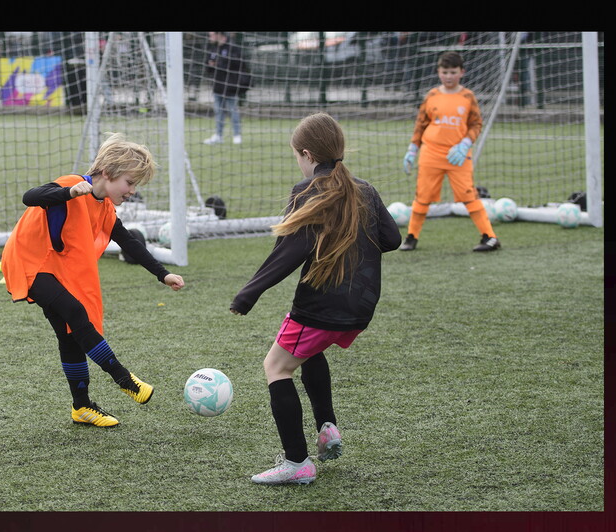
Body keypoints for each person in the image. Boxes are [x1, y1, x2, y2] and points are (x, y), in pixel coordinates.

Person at [230, 112, 401, 484]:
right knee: (310, 350)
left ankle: (297, 464)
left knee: (277, 367)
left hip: (323, 304)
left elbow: (290, 250)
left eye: (297, 155)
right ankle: (327, 426)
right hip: (361, 306)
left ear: (307, 154)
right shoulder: (365, 189)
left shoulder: (307, 190)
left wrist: (248, 294)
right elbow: (392, 239)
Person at [1, 133, 186, 428]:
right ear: (108, 173)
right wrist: (68, 193)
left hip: (55, 269)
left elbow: (129, 242)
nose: (132, 191)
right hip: (28, 262)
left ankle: (82, 407)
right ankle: (124, 378)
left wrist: (162, 274)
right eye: (129, 182)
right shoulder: (72, 185)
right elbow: (30, 197)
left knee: (70, 336)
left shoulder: (105, 208)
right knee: (76, 312)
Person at [400, 51, 501, 252]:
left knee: (469, 196)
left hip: (458, 156)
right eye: (444, 72)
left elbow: (476, 124)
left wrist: (465, 144)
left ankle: (490, 237)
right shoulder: (431, 96)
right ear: (438, 72)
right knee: (422, 196)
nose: (448, 76)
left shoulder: (468, 97)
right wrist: (412, 149)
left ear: (462, 72)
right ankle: (411, 237)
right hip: (431, 154)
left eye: (453, 72)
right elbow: (421, 125)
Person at [203, 31, 244, 145]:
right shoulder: (213, 49)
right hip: (217, 86)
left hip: (230, 86)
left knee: (233, 110)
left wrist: (218, 64)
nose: (210, 37)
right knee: (218, 112)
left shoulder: (232, 48)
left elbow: (236, 64)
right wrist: (211, 64)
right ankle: (218, 135)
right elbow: (208, 67)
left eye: (211, 35)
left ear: (219, 34)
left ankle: (237, 135)